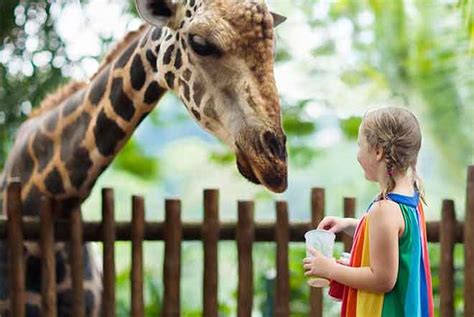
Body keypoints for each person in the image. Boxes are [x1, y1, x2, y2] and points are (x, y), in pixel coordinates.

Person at [303, 106, 434, 316]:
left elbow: (382, 279)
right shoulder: (409, 197)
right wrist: (350, 224)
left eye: (360, 145)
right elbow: (394, 243)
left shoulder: (384, 210)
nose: (357, 154)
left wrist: (330, 269)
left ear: (378, 151)